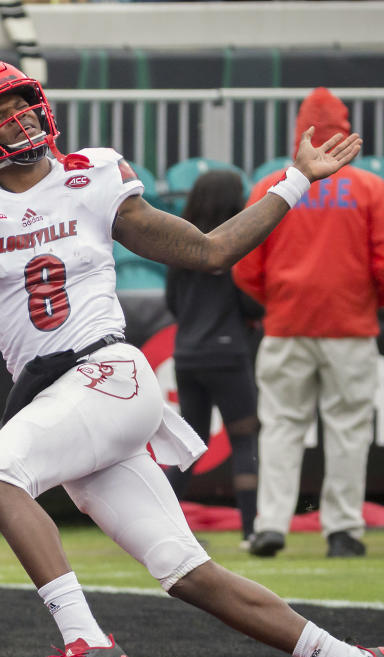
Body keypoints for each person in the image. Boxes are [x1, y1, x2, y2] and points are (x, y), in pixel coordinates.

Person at [0, 60, 384, 657]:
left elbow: (212, 249)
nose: (19, 117)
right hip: (58, 396)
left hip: (109, 372)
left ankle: (85, 641)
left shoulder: (92, 174)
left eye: (24, 102)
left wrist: (296, 180)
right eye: (0, 109)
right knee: (189, 573)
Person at [233, 88, 384, 559]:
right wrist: (372, 301)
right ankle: (343, 531)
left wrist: (279, 299)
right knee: (349, 428)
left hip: (287, 324)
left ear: (301, 130)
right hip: (349, 326)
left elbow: (245, 262)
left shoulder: (273, 184)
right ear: (344, 128)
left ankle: (271, 525)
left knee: (281, 427)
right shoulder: (370, 188)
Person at [163, 169, 261, 542]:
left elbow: (173, 302)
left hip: (187, 355)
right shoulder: (235, 246)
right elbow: (250, 301)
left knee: (192, 443)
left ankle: (162, 522)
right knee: (244, 438)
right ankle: (252, 529)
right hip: (228, 355)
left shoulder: (176, 244)